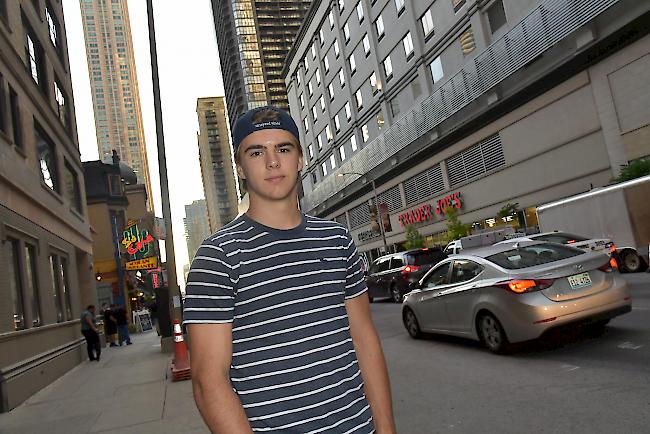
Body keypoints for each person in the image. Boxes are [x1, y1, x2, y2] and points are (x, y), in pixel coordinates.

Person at [184, 106, 396, 433]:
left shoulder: (337, 240)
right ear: (240, 167)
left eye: (283, 149)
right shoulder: (218, 256)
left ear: (299, 159)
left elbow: (364, 339)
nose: (272, 162)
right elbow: (207, 381)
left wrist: (385, 428)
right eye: (257, 152)